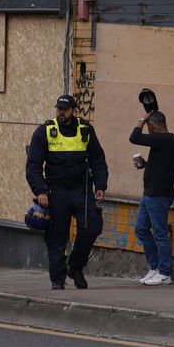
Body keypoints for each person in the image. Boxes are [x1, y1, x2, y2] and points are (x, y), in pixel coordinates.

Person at [26, 95, 108, 290]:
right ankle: (57, 279)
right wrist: (41, 191)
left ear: (73, 110)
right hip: (56, 192)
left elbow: (98, 160)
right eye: (58, 109)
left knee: (92, 227)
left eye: (65, 109)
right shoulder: (45, 131)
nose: (61, 113)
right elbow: (33, 165)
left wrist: (101, 186)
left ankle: (76, 266)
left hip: (81, 190)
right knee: (57, 237)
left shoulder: (85, 130)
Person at [130, 110, 174, 286]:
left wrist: (142, 118)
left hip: (159, 195)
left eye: (148, 125)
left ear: (151, 125)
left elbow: (134, 137)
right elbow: (162, 167)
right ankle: (155, 268)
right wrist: (146, 165)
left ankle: (164, 273)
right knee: (141, 229)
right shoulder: (165, 142)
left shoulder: (164, 139)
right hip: (150, 194)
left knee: (159, 234)